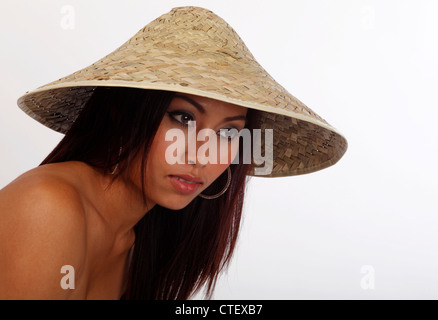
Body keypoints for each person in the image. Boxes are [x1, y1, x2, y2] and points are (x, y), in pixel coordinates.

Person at [0, 6, 347, 300]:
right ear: (124, 113)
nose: (201, 155)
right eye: (183, 118)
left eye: (228, 132)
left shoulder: (139, 241)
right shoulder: (47, 207)